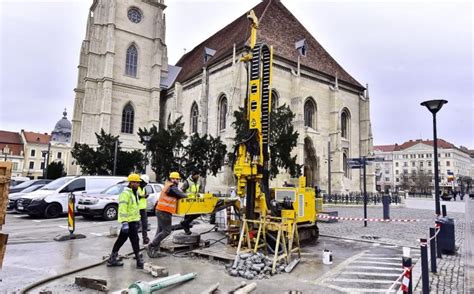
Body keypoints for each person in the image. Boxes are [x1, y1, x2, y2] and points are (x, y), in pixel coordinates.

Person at [107, 173, 144, 269]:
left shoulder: (134, 193)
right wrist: (124, 222)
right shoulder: (125, 194)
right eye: (135, 182)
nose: (137, 184)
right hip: (128, 222)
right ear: (130, 183)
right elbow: (122, 209)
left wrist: (138, 220)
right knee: (133, 240)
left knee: (124, 240)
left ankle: (113, 258)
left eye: (138, 183)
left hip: (133, 221)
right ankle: (138, 261)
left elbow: (135, 208)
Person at [147, 171, 187, 258]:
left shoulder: (168, 185)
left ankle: (155, 251)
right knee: (167, 231)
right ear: (171, 179)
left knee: (160, 230)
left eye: (177, 179)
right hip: (164, 211)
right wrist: (187, 195)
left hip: (160, 210)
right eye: (174, 179)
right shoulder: (171, 187)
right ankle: (152, 245)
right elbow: (181, 195)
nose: (176, 180)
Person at [180, 170, 203, 235]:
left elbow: (198, 190)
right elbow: (181, 191)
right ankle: (187, 230)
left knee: (198, 213)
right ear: (193, 174)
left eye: (198, 175)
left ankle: (184, 224)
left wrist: (198, 194)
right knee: (188, 216)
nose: (198, 176)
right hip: (188, 202)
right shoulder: (187, 182)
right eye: (197, 175)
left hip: (195, 202)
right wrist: (187, 196)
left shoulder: (198, 181)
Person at [138, 174, 150, 245]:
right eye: (145, 183)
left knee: (145, 224)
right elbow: (136, 196)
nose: (145, 185)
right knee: (136, 225)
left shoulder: (144, 188)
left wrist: (145, 196)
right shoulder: (137, 188)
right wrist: (142, 196)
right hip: (136, 209)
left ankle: (145, 238)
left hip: (143, 208)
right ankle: (135, 239)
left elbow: (144, 195)